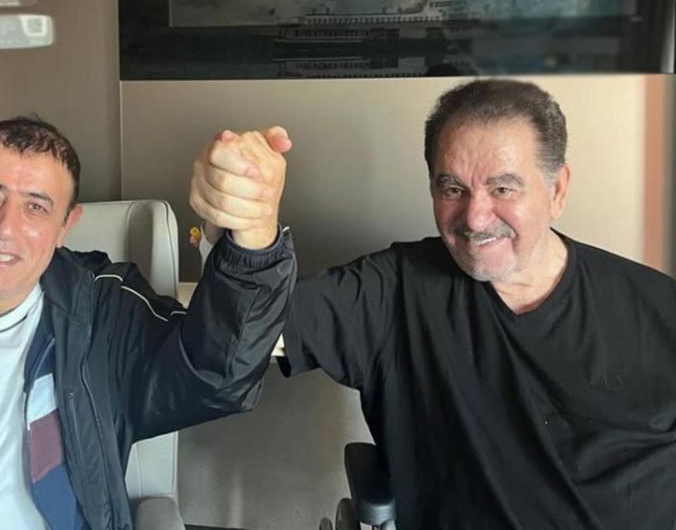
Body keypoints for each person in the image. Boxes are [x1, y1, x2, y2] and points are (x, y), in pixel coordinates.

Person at [194, 80, 676, 529]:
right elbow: (242, 332)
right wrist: (240, 232)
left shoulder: (658, 307)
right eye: (453, 189)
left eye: (503, 188)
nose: (475, 217)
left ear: (557, 190)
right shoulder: (397, 291)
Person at [0, 117, 295, 529]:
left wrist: (252, 240)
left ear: (67, 225)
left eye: (36, 207)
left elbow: (216, 375)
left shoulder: (101, 313)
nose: (5, 227)